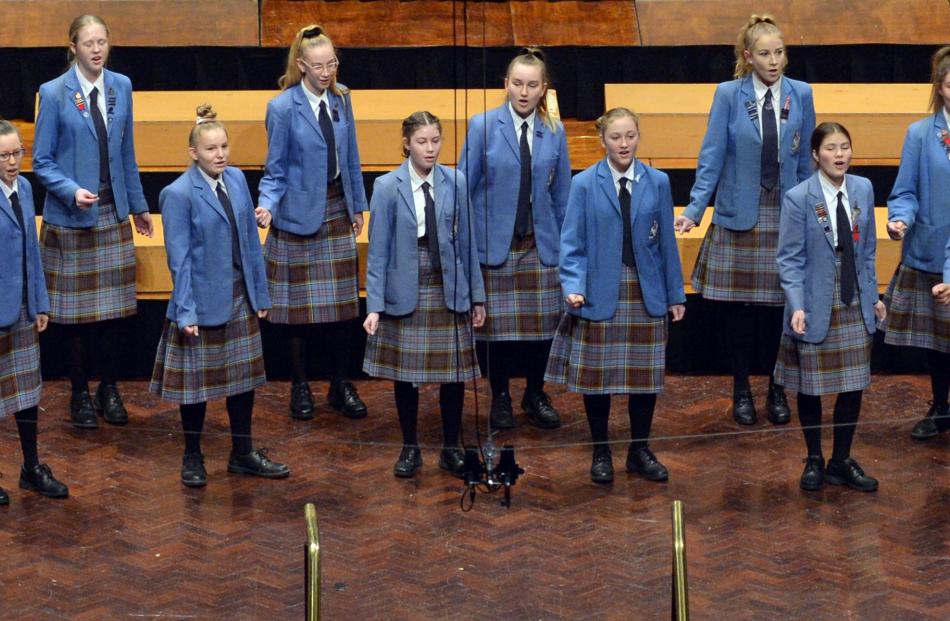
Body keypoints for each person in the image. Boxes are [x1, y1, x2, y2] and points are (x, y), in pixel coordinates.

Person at [674, 14, 815, 426]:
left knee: (780, 309)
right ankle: (740, 389)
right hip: (741, 214)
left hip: (785, 212)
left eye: (780, 53)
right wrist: (695, 209)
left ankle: (776, 387)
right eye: (765, 54)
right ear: (748, 56)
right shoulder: (729, 95)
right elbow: (712, 155)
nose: (774, 61)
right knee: (738, 312)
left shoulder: (801, 93)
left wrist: (811, 213)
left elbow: (806, 159)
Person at [150, 105, 289, 487]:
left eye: (224, 146)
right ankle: (192, 456)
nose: (221, 154)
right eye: (211, 149)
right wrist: (186, 311)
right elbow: (178, 260)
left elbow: (249, 241)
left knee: (243, 381)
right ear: (194, 153)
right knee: (195, 387)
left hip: (239, 295)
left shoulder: (239, 181)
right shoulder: (178, 193)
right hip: (201, 299)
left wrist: (260, 293)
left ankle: (242, 452)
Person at [546, 108, 686, 484]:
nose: (623, 144)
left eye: (630, 136)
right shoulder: (585, 184)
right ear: (602, 140)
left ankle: (639, 449)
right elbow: (571, 242)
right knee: (599, 380)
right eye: (615, 138)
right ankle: (601, 450)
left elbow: (667, 245)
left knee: (644, 379)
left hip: (646, 292)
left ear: (639, 136)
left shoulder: (656, 182)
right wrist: (572, 286)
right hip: (600, 292)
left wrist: (676, 293)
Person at [32, 14, 153, 429]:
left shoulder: (121, 86)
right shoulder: (53, 93)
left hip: (111, 212)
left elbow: (127, 153)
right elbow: (41, 162)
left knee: (114, 314)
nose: (97, 50)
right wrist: (69, 190)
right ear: (73, 48)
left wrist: (137, 206)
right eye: (89, 44)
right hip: (71, 217)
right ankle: (80, 393)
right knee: (75, 318)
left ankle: (109, 387)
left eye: (102, 42)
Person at [363, 112, 485, 478]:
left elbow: (468, 244)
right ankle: (410, 447)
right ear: (406, 144)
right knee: (406, 375)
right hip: (406, 284)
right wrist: (375, 305)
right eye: (422, 142)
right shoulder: (387, 186)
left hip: (447, 285)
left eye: (435, 141)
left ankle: (451, 447)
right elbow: (378, 250)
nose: (430, 149)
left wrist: (476, 296)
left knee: (454, 375)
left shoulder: (456, 181)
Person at [256, 24, 368, 421]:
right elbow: (275, 169)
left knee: (342, 310)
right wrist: (266, 206)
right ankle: (300, 386)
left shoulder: (342, 99)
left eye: (332, 64)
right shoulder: (282, 108)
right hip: (296, 214)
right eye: (319, 66)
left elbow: (351, 157)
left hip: (336, 206)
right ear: (301, 65)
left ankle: (340, 384)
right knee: (296, 313)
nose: (326, 72)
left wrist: (358, 205)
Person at [458, 47, 572, 431]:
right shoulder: (483, 126)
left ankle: (535, 392)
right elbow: (463, 188)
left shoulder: (555, 132)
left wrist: (565, 247)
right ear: (506, 84)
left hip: (540, 246)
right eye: (518, 84)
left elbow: (563, 196)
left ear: (543, 89)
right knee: (497, 334)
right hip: (495, 248)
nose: (524, 92)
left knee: (543, 329)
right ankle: (501, 395)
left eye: (533, 85)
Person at [774, 123, 884, 492]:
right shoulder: (799, 197)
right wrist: (796, 305)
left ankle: (841, 459)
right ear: (816, 155)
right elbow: (789, 260)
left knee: (853, 386)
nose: (840, 155)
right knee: (812, 388)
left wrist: (873, 296)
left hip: (853, 297)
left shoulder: (863, 189)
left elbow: (867, 250)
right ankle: (814, 459)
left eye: (845, 147)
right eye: (831, 148)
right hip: (815, 300)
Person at [0, 120, 69, 504]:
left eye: (17, 153)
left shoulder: (24, 189)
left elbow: (32, 251)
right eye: (4, 155)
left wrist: (40, 302)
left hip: (24, 308)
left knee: (26, 393)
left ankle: (31, 466)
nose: (13, 162)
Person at [883, 46, 950, 440]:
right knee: (939, 341)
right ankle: (940, 406)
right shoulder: (920, 135)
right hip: (929, 251)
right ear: (940, 88)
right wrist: (900, 220)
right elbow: (905, 191)